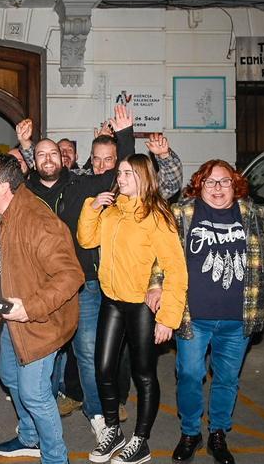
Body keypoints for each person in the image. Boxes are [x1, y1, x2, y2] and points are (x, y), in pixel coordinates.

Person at [166, 160, 264, 464]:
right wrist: (155, 287)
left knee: (227, 379)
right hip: (193, 316)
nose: (218, 188)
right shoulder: (182, 214)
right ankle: (190, 432)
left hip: (238, 318)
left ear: (235, 185)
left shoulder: (254, 215)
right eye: (210, 182)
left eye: (225, 182)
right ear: (199, 185)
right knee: (189, 374)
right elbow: (163, 257)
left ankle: (218, 432)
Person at [77, 153, 188, 464]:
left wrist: (167, 318)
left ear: (142, 176)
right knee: (103, 367)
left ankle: (141, 440)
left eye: (126, 173)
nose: (119, 177)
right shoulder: (112, 212)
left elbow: (176, 269)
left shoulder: (157, 216)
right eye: (120, 173)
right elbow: (86, 241)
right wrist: (92, 208)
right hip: (111, 300)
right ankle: (113, 430)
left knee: (144, 374)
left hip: (141, 305)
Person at [0, 154, 84, 464]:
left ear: (4, 186)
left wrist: (31, 308)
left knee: (35, 395)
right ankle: (29, 437)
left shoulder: (38, 221)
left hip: (40, 321)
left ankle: (55, 458)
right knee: (9, 374)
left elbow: (70, 275)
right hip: (13, 316)